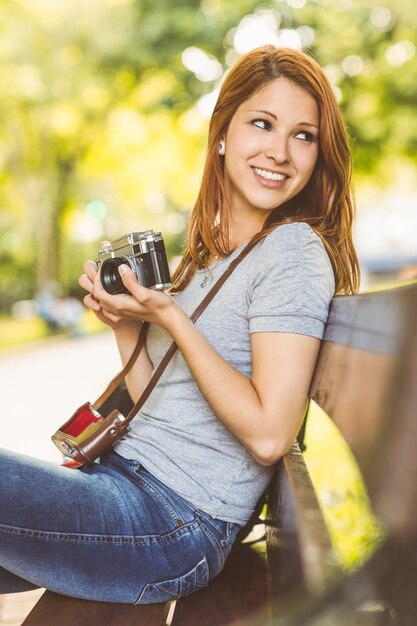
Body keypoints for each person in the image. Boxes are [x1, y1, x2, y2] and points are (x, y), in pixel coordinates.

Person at [0, 45, 359, 604]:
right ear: (222, 134)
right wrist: (125, 325)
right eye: (262, 124)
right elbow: (163, 401)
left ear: (318, 153)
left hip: (172, 525)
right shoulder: (210, 258)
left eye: (303, 135)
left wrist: (169, 316)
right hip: (121, 486)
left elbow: (269, 436)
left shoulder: (292, 251)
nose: (280, 151)